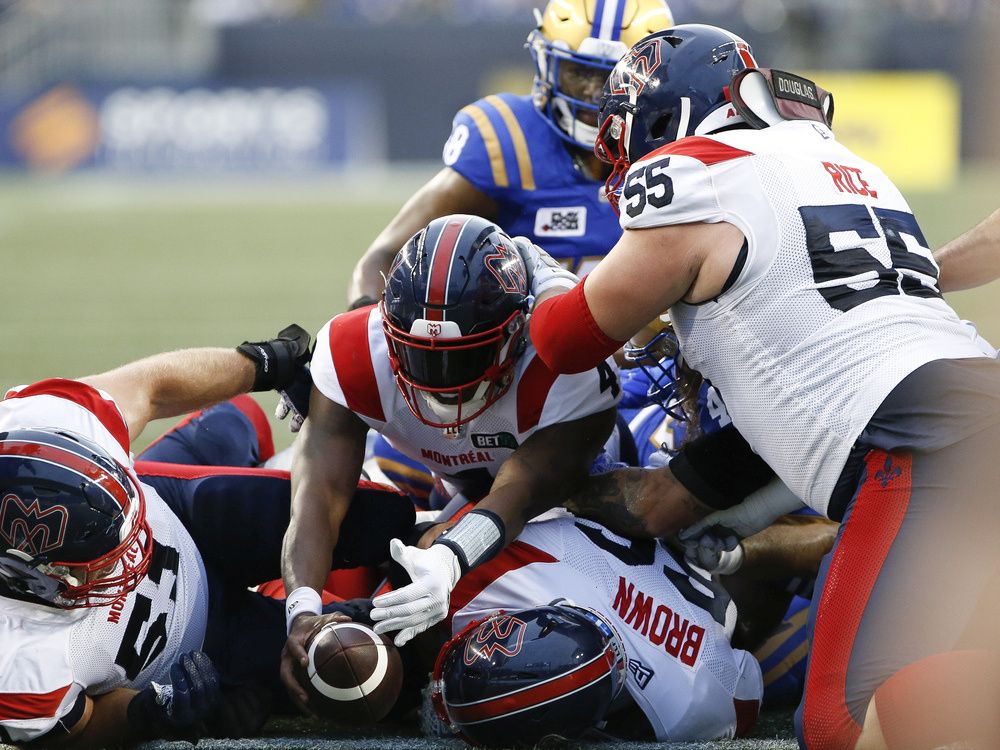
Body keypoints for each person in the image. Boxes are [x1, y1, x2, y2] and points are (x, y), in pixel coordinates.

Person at [529, 24, 1000, 750]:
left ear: (670, 117)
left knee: (846, 726)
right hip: (958, 407)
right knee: (945, 678)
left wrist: (532, 272)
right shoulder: (844, 164)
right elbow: (737, 444)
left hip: (921, 443)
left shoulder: (697, 173)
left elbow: (563, 339)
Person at [0, 327, 414, 748]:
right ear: (29, 573)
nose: (136, 556)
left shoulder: (42, 421)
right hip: (205, 649)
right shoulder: (13, 657)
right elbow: (79, 726)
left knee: (377, 514)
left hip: (179, 514)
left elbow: (152, 389)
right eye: (107, 560)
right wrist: (148, 713)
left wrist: (265, 363)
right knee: (367, 667)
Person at [280, 214, 621, 708]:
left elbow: (517, 495)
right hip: (449, 484)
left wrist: (448, 556)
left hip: (569, 506)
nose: (442, 379)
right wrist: (303, 611)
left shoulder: (561, 371)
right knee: (373, 521)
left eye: (464, 356)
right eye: (422, 356)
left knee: (440, 609)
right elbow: (318, 498)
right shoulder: (355, 350)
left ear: (518, 331)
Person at [346, 0, 675, 312]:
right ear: (548, 62)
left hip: (646, 363)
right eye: (578, 72)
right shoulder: (509, 142)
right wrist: (368, 328)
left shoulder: (675, 147)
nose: (591, 93)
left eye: (611, 77)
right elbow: (388, 256)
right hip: (528, 358)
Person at [429, 512, 762, 745]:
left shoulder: (692, 703)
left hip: (681, 572)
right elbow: (430, 535)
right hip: (578, 522)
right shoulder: (690, 703)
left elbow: (748, 682)